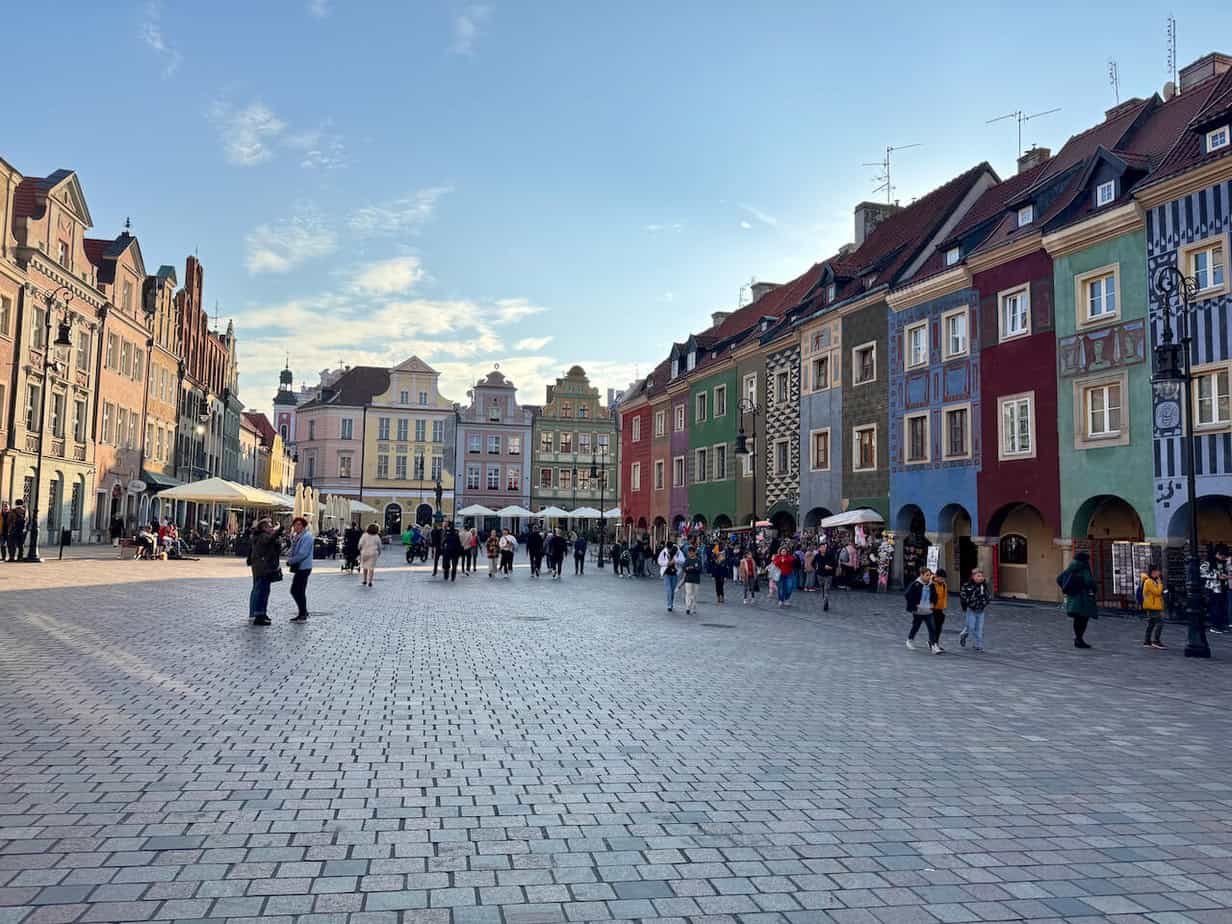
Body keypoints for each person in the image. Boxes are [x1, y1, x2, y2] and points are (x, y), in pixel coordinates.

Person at [246, 518, 282, 626]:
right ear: (264, 527)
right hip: (262, 568)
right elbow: (269, 540)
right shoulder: (262, 536)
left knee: (264, 591)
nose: (271, 528)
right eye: (269, 526)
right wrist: (278, 531)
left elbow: (274, 546)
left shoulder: (261, 536)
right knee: (261, 591)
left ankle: (261, 613)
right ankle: (258, 615)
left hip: (265, 567)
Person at [1059, 550, 1097, 648]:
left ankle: (1078, 638)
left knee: (1077, 619)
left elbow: (1059, 578)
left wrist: (1070, 589)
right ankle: (1079, 639)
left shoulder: (1071, 567)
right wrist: (1094, 586)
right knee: (1083, 619)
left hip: (1073, 597)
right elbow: (1088, 581)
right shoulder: (1084, 568)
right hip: (1083, 599)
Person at [904, 567, 939, 654]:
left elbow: (935, 595)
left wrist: (933, 603)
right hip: (918, 610)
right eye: (927, 575)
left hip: (928, 610)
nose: (929, 577)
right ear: (921, 575)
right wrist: (915, 604)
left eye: (929, 575)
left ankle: (933, 645)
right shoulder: (916, 584)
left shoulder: (931, 584)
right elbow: (908, 595)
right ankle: (910, 640)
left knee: (932, 627)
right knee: (916, 626)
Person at [286, 516, 315, 620]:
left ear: (303, 526)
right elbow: (294, 549)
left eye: (299, 524)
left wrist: (291, 561)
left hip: (304, 567)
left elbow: (303, 553)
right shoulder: (297, 536)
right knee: (297, 590)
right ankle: (303, 612)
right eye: (295, 524)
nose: (296, 527)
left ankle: (303, 613)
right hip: (300, 567)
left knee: (297, 590)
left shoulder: (307, 537)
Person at [958, 568, 990, 652]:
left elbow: (987, 596)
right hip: (971, 610)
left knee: (979, 628)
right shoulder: (967, 585)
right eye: (978, 576)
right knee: (970, 626)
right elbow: (963, 596)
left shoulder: (984, 585)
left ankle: (978, 645)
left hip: (981, 610)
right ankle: (963, 635)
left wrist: (984, 602)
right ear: (973, 576)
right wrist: (968, 603)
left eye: (982, 576)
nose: (981, 577)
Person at [1201, 546, 1229, 634]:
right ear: (1217, 554)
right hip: (1213, 588)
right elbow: (1202, 573)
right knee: (1215, 607)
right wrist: (1217, 576)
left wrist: (1225, 576)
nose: (1223, 558)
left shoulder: (1223, 563)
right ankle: (1215, 625)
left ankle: (1220, 625)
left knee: (1222, 607)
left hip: (1223, 587)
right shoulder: (1208, 562)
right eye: (1222, 556)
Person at [1140, 565, 1167, 649]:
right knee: (1160, 622)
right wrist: (1160, 583)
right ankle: (1156, 641)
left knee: (1151, 624)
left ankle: (1147, 641)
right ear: (1153, 572)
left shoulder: (1151, 581)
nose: (1159, 573)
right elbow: (1157, 592)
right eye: (1158, 571)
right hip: (1153, 606)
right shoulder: (1149, 581)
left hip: (1152, 605)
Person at [658, 542, 684, 612]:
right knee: (669, 589)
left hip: (675, 573)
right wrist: (667, 563)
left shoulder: (678, 552)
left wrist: (675, 561)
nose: (669, 550)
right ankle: (669, 605)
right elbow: (659, 561)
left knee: (672, 590)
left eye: (670, 548)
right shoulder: (664, 552)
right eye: (668, 548)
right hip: (666, 573)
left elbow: (683, 560)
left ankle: (671, 603)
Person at [772, 543, 796, 608]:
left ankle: (786, 598)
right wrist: (781, 560)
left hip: (789, 574)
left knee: (789, 587)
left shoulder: (789, 556)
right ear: (780, 551)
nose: (784, 552)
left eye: (785, 551)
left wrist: (784, 560)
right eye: (782, 551)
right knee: (781, 588)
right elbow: (775, 563)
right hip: (780, 575)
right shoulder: (777, 557)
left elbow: (792, 560)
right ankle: (781, 600)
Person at [930, 569, 949, 651]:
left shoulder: (944, 585)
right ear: (936, 576)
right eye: (941, 578)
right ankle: (933, 644)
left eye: (943, 579)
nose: (942, 580)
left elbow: (944, 597)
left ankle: (935, 643)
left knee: (939, 628)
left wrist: (943, 607)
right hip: (931, 609)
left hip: (940, 609)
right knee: (933, 627)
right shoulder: (931, 584)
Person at [682, 546, 703, 614]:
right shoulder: (687, 560)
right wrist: (690, 568)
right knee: (688, 593)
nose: (690, 554)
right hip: (688, 579)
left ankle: (694, 607)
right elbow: (684, 568)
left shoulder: (698, 560)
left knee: (694, 594)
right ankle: (688, 607)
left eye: (692, 552)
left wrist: (692, 568)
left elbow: (699, 569)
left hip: (696, 580)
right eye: (689, 552)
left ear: (694, 552)